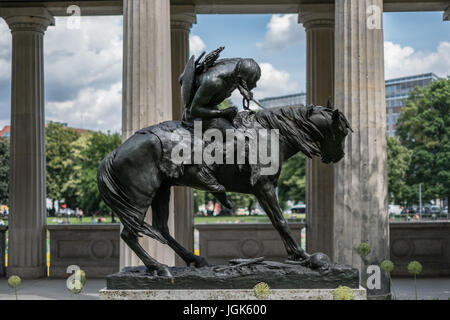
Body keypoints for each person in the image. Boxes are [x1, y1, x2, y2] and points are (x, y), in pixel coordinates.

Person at [180, 47, 262, 193]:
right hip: (198, 114)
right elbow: (195, 109)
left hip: (210, 106)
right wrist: (223, 112)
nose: (254, 87)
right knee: (238, 138)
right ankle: (206, 171)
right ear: (240, 79)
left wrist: (245, 90)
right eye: (251, 84)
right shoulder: (214, 81)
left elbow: (237, 82)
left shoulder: (239, 66)